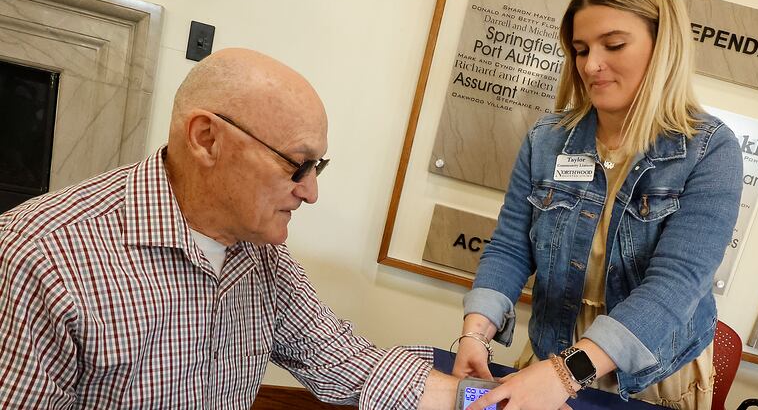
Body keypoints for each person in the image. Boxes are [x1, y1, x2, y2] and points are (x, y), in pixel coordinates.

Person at [0, 48, 458, 409]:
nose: (311, 192)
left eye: (319, 167)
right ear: (206, 139)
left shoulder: (262, 258)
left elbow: (347, 362)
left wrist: (494, 398)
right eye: (299, 165)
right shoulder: (39, 259)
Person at [453, 0, 743, 409]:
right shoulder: (547, 139)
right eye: (581, 49)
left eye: (614, 45)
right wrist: (475, 332)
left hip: (651, 376)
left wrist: (567, 375)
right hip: (552, 360)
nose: (590, 65)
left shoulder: (710, 151)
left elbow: (673, 287)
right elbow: (510, 247)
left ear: (662, 43)